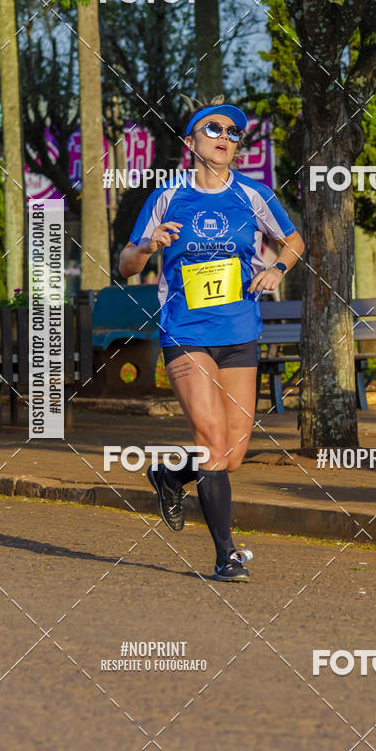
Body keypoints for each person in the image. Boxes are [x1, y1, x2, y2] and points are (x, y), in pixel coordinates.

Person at [119, 100, 304, 581]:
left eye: (234, 133)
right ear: (191, 141)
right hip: (186, 334)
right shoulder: (166, 197)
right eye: (214, 128)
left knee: (233, 455)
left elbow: (295, 240)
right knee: (211, 442)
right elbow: (126, 266)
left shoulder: (254, 194)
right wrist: (147, 246)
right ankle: (226, 556)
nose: (225, 136)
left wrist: (278, 269)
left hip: (240, 334)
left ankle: (168, 475)